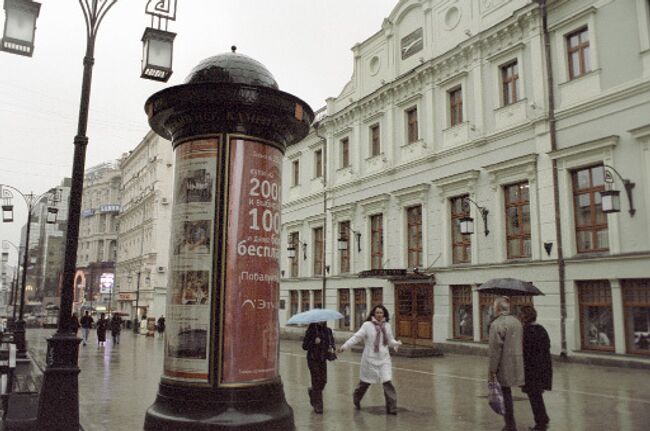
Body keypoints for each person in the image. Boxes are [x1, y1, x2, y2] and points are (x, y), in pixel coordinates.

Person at [337, 304, 402, 415]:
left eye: (381, 313)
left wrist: (396, 344)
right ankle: (356, 397)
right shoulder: (367, 325)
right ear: (373, 314)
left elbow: (390, 340)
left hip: (384, 359)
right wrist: (344, 347)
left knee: (387, 382)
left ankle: (392, 408)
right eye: (377, 313)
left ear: (384, 314)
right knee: (365, 382)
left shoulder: (387, 326)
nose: (379, 315)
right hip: (369, 359)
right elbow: (356, 337)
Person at [488, 296, 524, 431]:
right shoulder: (517, 322)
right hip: (517, 361)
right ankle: (510, 423)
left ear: (497, 308)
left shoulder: (497, 324)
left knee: (505, 393)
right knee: (507, 392)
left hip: (503, 363)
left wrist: (492, 370)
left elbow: (494, 349)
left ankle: (510, 424)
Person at [519, 305, 552, 431]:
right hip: (542, 368)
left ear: (525, 317)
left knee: (534, 396)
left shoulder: (526, 331)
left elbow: (524, 351)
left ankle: (540, 422)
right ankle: (543, 418)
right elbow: (546, 347)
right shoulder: (541, 329)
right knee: (536, 395)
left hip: (531, 370)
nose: (520, 317)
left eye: (521, 314)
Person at [302, 321, 336, 414]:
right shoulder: (311, 331)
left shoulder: (328, 331)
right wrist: (314, 341)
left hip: (322, 359)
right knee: (316, 380)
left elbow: (332, 343)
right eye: (320, 319)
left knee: (323, 381)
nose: (322, 321)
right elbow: (304, 346)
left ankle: (312, 392)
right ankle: (318, 405)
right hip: (313, 359)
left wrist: (332, 347)